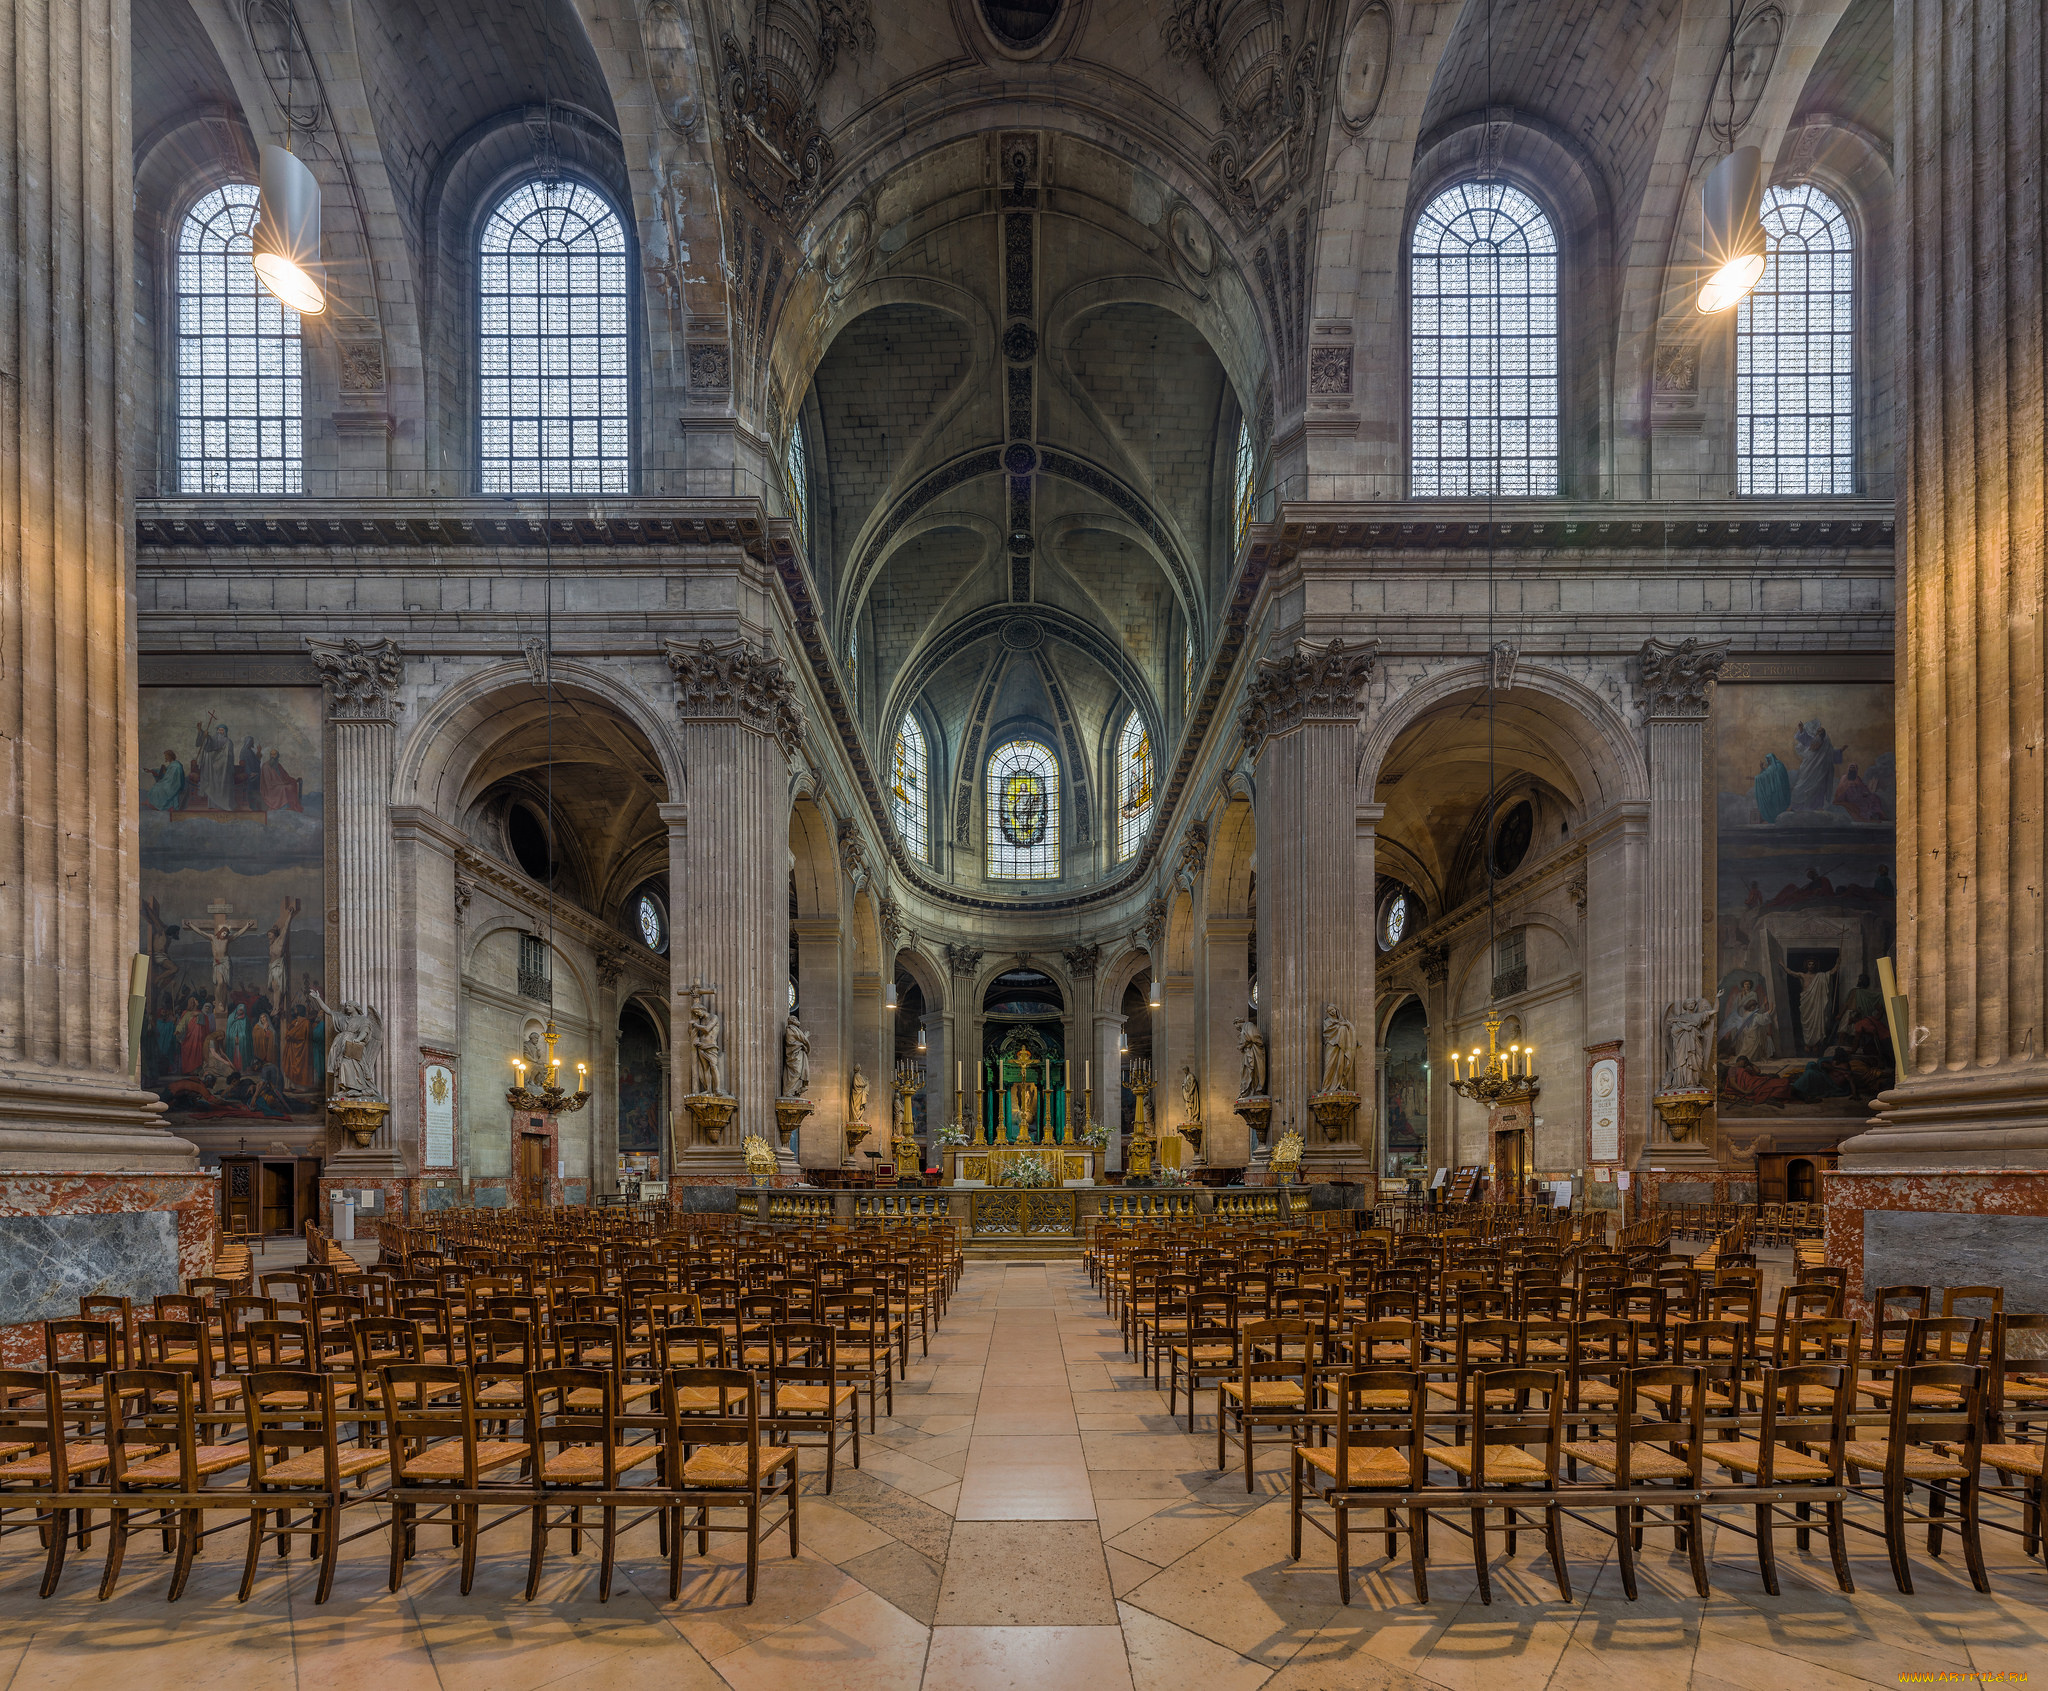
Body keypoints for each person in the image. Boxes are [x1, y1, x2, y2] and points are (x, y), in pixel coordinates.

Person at [1752, 750, 1792, 824]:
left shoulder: (1776, 767)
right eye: (1767, 760)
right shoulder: (1778, 766)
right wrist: (1762, 769)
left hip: (1780, 790)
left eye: (1768, 760)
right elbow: (1767, 775)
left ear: (1771, 759)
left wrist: (1756, 778)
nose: (1767, 762)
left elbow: (1765, 775)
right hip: (1777, 791)